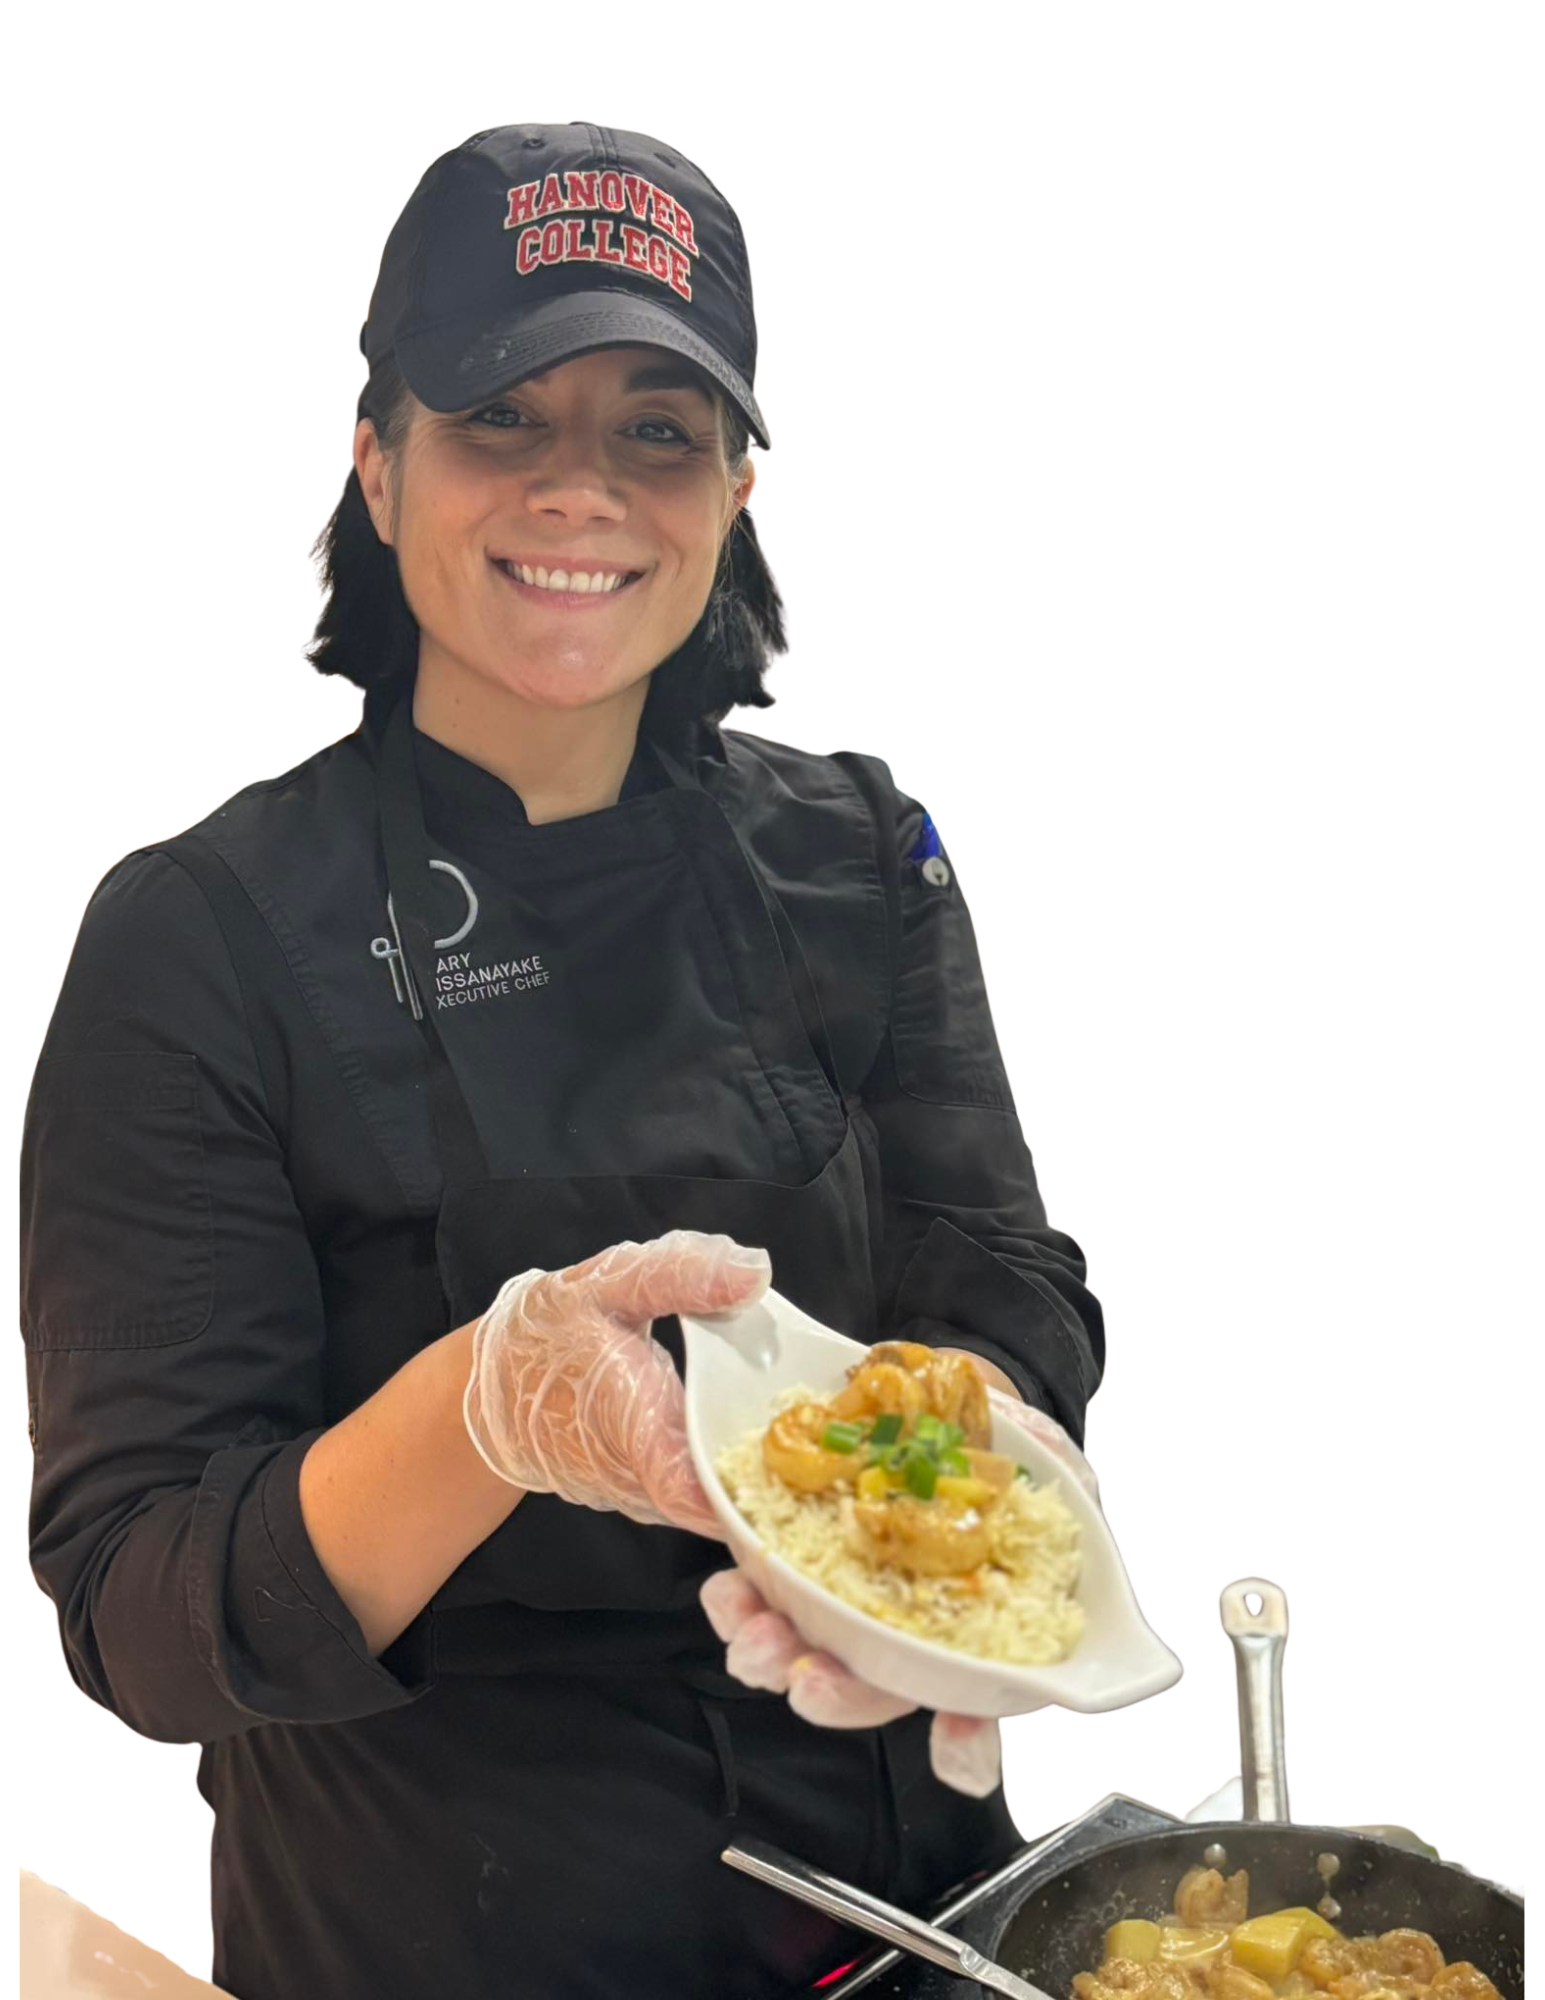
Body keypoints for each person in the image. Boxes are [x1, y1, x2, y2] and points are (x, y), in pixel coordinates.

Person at [20, 122, 1108, 1999]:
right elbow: (139, 1608)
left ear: (740, 486)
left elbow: (1005, 1272)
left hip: (928, 1921)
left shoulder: (863, 849)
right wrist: (488, 1414)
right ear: (377, 467)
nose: (581, 490)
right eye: (502, 417)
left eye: (655, 429)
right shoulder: (195, 937)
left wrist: (948, 1508)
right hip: (447, 1934)